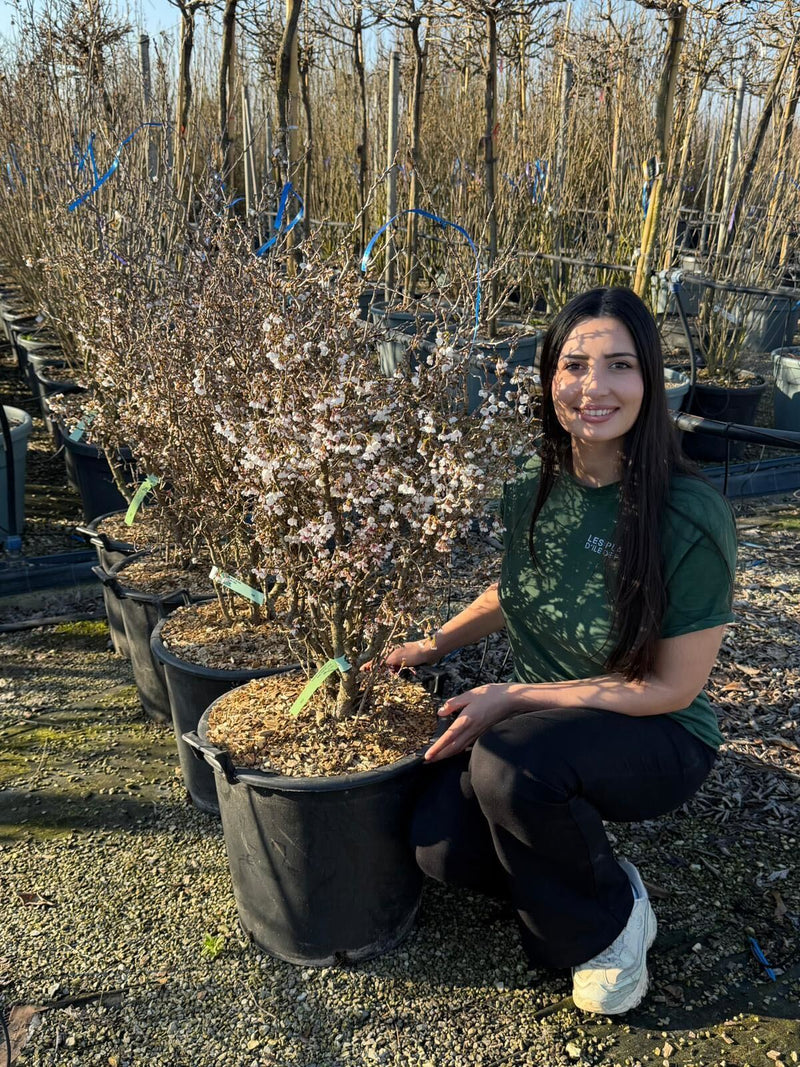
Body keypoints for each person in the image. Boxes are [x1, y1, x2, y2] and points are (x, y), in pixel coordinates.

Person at [385, 286, 737, 1015]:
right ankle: (574, 855)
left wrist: (513, 696)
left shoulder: (689, 515)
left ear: (651, 380)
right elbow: (516, 588)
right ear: (549, 377)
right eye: (574, 364)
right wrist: (434, 640)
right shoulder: (532, 481)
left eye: (620, 365)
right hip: (548, 730)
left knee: (511, 767)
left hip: (657, 734)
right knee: (437, 847)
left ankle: (611, 921)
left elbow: (670, 689)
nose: (594, 386)